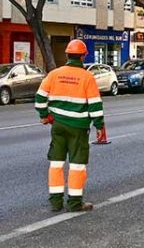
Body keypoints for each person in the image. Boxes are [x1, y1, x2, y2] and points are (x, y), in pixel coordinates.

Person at [35, 39, 104, 212]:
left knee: (56, 163)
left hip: (58, 125)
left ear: (67, 55)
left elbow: (40, 98)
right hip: (78, 127)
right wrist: (100, 126)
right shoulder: (87, 77)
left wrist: (45, 116)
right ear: (83, 56)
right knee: (77, 165)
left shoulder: (54, 74)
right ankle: (74, 203)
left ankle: (56, 202)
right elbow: (95, 105)